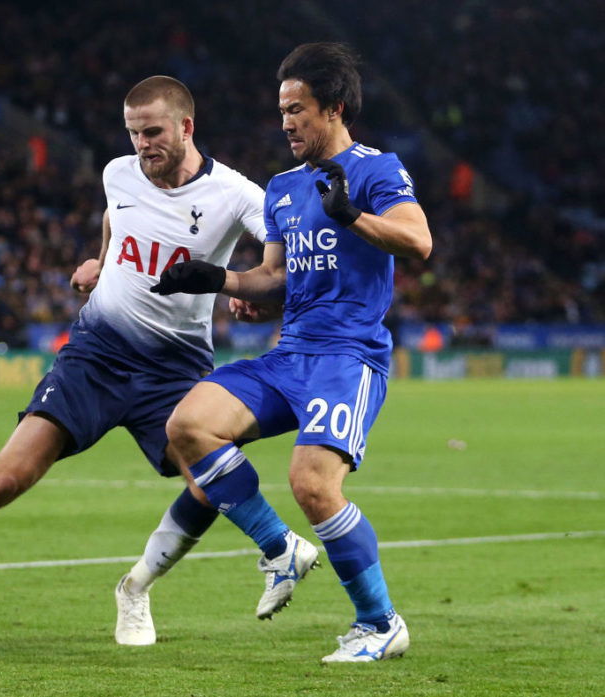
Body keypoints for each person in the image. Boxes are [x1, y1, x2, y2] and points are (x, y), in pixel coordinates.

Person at [0, 76, 318, 645]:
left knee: (210, 483)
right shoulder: (118, 172)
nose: (142, 145)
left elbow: (282, 269)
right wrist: (102, 262)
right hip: (97, 354)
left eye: (153, 132)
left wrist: (246, 290)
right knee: (6, 476)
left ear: (186, 127)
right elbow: (115, 216)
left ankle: (136, 588)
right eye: (133, 133)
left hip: (175, 368)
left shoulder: (238, 194)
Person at [148, 43, 432, 662]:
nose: (285, 123)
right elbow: (276, 279)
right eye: (281, 111)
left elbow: (418, 240)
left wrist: (352, 215)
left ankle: (380, 624)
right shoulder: (282, 188)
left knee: (312, 483)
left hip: (347, 356)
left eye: (296, 109)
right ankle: (279, 548)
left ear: (334, 108)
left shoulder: (376, 170)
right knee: (188, 426)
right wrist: (218, 279)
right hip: (289, 353)